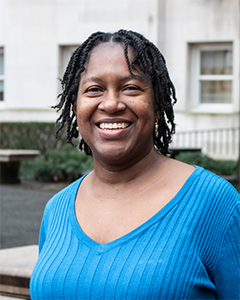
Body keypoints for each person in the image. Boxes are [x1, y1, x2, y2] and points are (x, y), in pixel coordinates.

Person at [30, 30, 240, 299]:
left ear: (158, 104)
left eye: (130, 88)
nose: (111, 103)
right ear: (75, 105)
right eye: (94, 89)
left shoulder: (216, 205)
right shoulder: (57, 210)